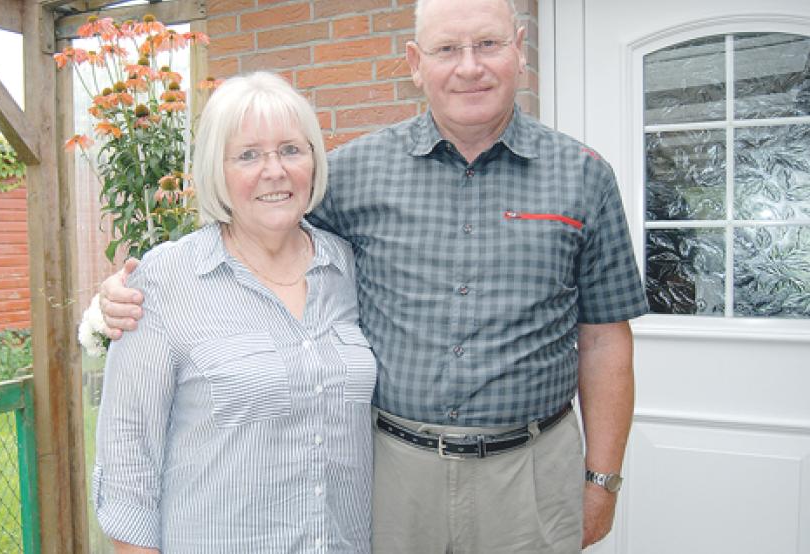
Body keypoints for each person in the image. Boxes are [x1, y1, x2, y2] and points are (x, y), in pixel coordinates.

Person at [99, 0, 648, 551]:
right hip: (395, 479)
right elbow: (254, 231)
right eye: (446, 49)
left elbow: (604, 342)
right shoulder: (355, 174)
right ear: (415, 62)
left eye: (488, 44)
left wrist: (602, 481)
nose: (469, 66)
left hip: (530, 473)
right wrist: (112, 301)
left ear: (519, 49)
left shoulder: (584, 177)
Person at [93, 71, 376, 553]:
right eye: (248, 155)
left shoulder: (346, 266)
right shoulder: (166, 281)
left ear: (314, 159)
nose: (275, 170)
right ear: (216, 171)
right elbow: (127, 461)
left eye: (291, 149)